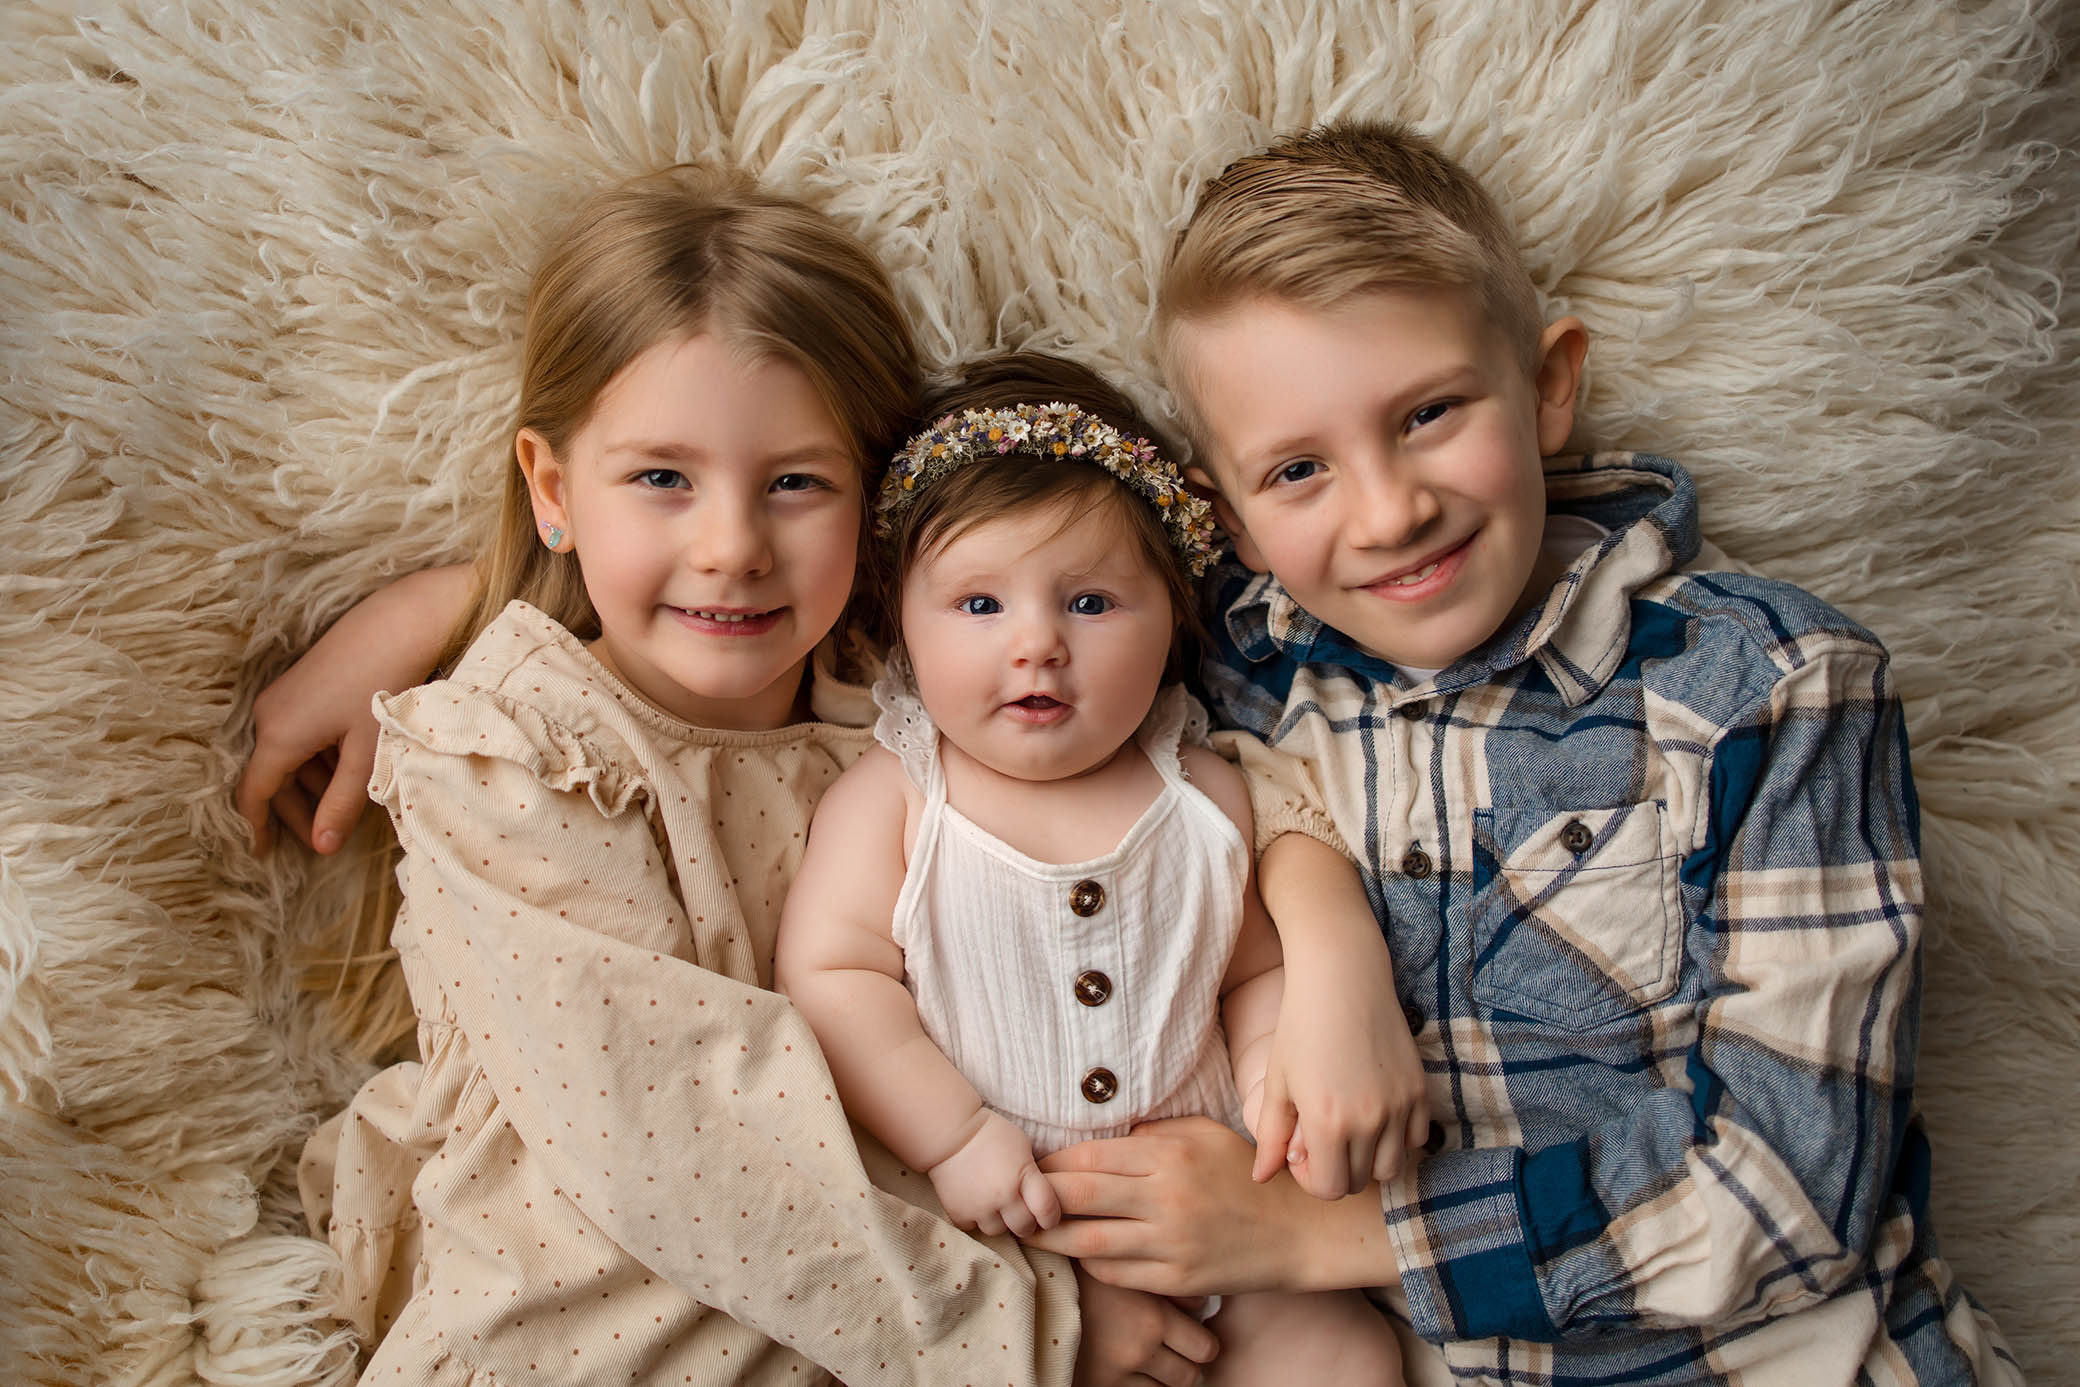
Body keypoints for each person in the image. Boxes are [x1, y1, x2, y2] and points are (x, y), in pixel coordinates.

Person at [1023, 120, 2022, 1385]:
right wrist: (1325, 937)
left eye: (1430, 412)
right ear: (1229, 517)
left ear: (1550, 385)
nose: (1388, 510)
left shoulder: (1764, 687)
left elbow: (1786, 1186)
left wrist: (1319, 1233)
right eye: (1297, 469)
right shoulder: (1233, 686)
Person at [279, 164, 1122, 1385]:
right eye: (662, 478)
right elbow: (673, 1123)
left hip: (884, 1310)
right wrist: (1043, 1336)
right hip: (582, 1320)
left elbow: (1181, 746)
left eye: (795, 482)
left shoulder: (915, 711)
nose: (731, 547)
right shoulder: (513, 755)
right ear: (555, 492)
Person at [773, 354, 1414, 1385]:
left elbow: (1252, 972)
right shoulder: (899, 797)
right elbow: (830, 979)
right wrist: (954, 1139)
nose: (1036, 645)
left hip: (1218, 1221)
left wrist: (1268, 1083)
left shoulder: (1202, 795)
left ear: (1171, 617)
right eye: (978, 606)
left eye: (1091, 602)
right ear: (900, 626)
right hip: (1005, 1233)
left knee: (1344, 1353)